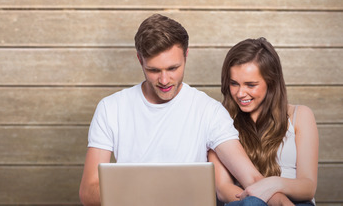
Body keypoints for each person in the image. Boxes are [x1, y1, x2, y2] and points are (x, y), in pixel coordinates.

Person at [79, 14, 281, 206]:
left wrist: (283, 202)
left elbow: (251, 177)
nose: (164, 80)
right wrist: (153, 197)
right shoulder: (111, 108)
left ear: (186, 54)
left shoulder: (209, 111)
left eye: (173, 68)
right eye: (154, 70)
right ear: (140, 60)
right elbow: (89, 192)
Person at [208, 38, 319, 205]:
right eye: (234, 84)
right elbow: (223, 189)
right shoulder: (218, 119)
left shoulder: (301, 115)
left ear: (271, 82)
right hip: (245, 202)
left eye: (250, 85)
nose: (240, 93)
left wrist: (273, 184)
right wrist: (265, 199)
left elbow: (308, 187)